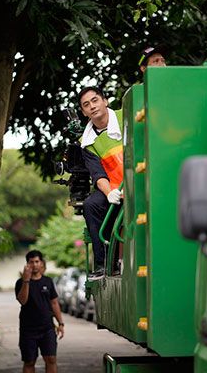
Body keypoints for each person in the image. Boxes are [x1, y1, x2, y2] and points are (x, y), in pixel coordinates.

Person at [78, 86, 124, 278]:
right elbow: (97, 174)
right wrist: (109, 193)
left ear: (105, 101)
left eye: (95, 100)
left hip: (141, 177)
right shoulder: (87, 142)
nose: (92, 106)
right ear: (84, 112)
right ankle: (104, 264)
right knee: (92, 205)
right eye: (86, 105)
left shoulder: (125, 115)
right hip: (115, 189)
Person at [15, 250, 65, 373]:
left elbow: (54, 303)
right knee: (29, 361)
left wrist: (60, 323)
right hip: (28, 329)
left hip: (47, 328)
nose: (34, 264)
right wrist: (26, 280)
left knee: (51, 359)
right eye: (31, 262)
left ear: (41, 263)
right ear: (27, 264)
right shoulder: (20, 282)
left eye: (37, 261)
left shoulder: (48, 281)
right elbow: (22, 301)